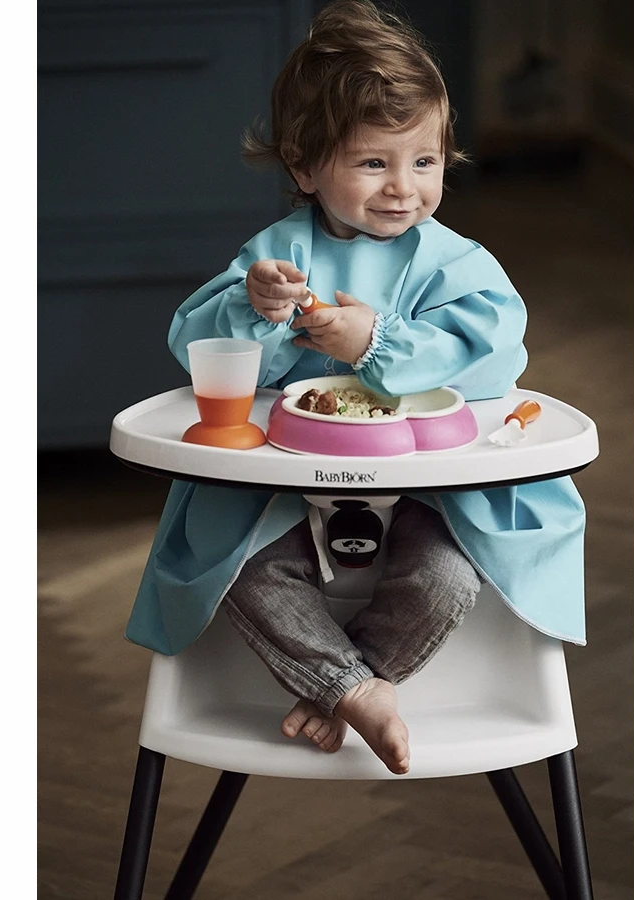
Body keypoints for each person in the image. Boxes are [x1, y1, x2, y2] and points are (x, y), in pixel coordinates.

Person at [126, 0, 587, 776]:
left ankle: (347, 683)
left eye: (425, 162)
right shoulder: (277, 257)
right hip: (281, 485)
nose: (403, 188)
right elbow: (199, 352)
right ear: (304, 165)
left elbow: (494, 355)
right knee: (235, 567)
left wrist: (377, 343)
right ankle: (356, 688)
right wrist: (257, 310)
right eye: (374, 163)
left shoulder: (454, 262)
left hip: (430, 489)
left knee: (444, 578)